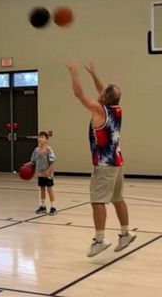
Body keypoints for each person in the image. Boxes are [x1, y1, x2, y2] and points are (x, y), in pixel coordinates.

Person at [66, 62, 136, 257]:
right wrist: (94, 73)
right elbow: (103, 90)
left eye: (103, 91)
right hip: (118, 162)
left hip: (104, 165)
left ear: (104, 97)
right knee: (118, 198)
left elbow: (79, 95)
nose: (100, 90)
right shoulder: (116, 109)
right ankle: (125, 233)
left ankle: (99, 239)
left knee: (97, 202)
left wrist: (74, 74)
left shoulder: (100, 110)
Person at [27, 131, 57, 216]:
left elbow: (52, 162)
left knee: (49, 189)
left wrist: (49, 171)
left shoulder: (49, 150)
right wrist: (26, 165)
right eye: (39, 137)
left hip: (48, 174)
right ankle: (43, 206)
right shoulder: (36, 150)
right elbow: (33, 161)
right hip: (40, 174)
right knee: (42, 189)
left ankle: (53, 207)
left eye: (42, 137)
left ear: (46, 140)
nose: (40, 138)